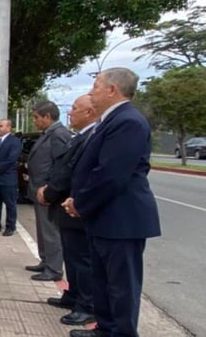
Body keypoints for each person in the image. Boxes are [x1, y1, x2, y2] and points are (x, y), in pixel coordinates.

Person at [63, 68, 161, 337]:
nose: (91, 91)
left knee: (121, 285)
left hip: (122, 220)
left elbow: (110, 174)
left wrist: (80, 203)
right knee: (103, 280)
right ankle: (105, 329)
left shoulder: (128, 122)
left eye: (96, 85)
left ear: (112, 90)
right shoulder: (111, 121)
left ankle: (121, 332)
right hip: (104, 217)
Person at [37, 94, 97, 326]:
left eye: (74, 108)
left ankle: (86, 305)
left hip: (73, 204)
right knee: (73, 257)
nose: (69, 112)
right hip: (64, 204)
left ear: (89, 112)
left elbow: (69, 170)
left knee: (82, 259)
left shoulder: (89, 136)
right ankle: (73, 295)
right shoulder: (79, 136)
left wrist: (50, 192)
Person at [25, 101, 72, 281]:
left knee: (50, 231)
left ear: (47, 116)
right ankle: (45, 261)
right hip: (38, 190)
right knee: (43, 229)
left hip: (47, 192)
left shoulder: (59, 134)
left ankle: (54, 268)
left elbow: (61, 166)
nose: (34, 121)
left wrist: (50, 188)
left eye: (36, 117)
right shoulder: (48, 133)